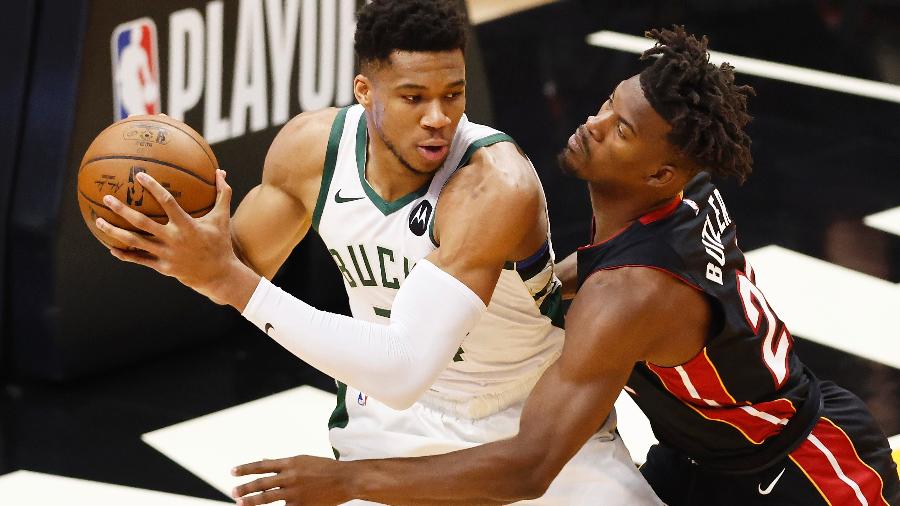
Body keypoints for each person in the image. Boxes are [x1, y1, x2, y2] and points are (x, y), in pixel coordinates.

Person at [230, 26, 900, 506]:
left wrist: (349, 481)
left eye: (620, 130)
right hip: (702, 455)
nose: (593, 122)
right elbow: (594, 274)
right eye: (609, 105)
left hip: (801, 471)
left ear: (660, 171)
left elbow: (528, 468)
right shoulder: (683, 192)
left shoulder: (628, 297)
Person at [96, 0, 660, 504]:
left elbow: (403, 365)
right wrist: (164, 239)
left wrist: (227, 280)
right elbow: (234, 268)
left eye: (453, 94)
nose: (438, 117)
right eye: (414, 97)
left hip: (528, 417)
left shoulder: (495, 185)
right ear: (365, 92)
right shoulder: (310, 151)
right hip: (397, 423)